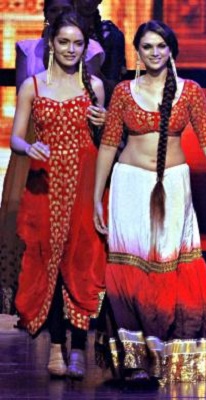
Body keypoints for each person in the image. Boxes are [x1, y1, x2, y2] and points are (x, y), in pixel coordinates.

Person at [94, 20, 206, 383]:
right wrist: (97, 197)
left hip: (173, 186)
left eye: (161, 46)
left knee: (169, 266)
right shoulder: (124, 92)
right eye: (147, 46)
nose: (154, 53)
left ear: (171, 51)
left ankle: (169, 355)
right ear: (138, 52)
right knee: (131, 269)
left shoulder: (190, 91)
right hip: (129, 186)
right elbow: (108, 145)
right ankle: (135, 360)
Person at [10, 12, 107, 379]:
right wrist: (28, 147)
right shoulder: (32, 86)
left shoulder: (94, 86)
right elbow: (15, 136)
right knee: (48, 261)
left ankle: (79, 347)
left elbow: (105, 140)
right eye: (64, 42)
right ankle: (55, 346)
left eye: (78, 43)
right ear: (51, 44)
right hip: (46, 183)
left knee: (81, 261)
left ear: (86, 47)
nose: (70, 49)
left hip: (84, 181)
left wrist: (103, 123)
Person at [74, 0, 127, 102]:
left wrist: (96, 73)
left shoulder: (111, 35)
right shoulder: (57, 33)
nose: (88, 1)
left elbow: (115, 89)